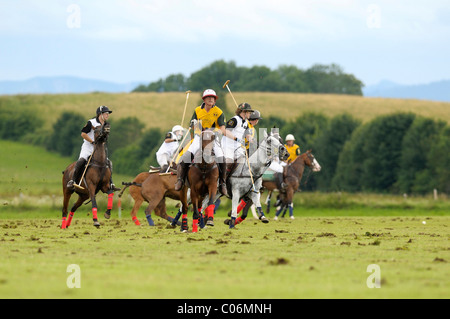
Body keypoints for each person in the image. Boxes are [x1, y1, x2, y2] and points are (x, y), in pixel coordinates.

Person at [174, 89, 235, 195]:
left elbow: (222, 129)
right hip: (199, 137)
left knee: (222, 158)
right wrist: (193, 126)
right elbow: (192, 125)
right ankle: (180, 180)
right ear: (204, 99)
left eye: (213, 98)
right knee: (186, 156)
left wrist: (213, 132)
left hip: (212, 138)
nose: (211, 99)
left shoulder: (219, 112)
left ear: (215, 100)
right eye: (209, 97)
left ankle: (222, 183)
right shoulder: (197, 110)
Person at [67, 105, 119, 191]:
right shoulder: (91, 122)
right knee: (81, 161)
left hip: (99, 148)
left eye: (108, 114)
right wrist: (92, 141)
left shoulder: (106, 124)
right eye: (106, 113)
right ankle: (72, 181)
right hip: (88, 146)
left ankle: (111, 183)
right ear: (100, 114)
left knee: (108, 163)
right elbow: (83, 134)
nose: (107, 115)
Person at [222, 102, 254, 173]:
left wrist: (251, 140)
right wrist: (236, 139)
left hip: (237, 146)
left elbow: (247, 135)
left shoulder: (246, 123)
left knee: (243, 161)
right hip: (228, 145)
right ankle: (223, 180)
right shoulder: (234, 120)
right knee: (229, 162)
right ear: (244, 112)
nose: (250, 114)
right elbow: (225, 132)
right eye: (249, 112)